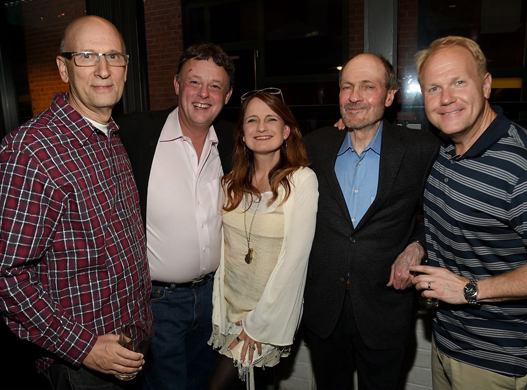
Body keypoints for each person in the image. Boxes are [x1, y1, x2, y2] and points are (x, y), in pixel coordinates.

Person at [0, 15, 152, 389]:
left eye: (113, 56)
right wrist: (84, 348)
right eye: (87, 56)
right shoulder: (31, 151)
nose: (103, 70)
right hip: (81, 366)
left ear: (126, 67)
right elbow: (8, 276)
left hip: (132, 345)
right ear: (63, 68)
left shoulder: (112, 138)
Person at [410, 36, 527, 390]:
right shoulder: (446, 150)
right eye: (433, 88)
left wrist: (470, 290)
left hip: (499, 359)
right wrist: (418, 245)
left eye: (458, 82)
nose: (445, 98)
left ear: (486, 85)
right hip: (448, 339)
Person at [302, 53, 440, 389]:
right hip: (324, 311)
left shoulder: (421, 150)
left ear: (389, 96)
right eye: (346, 87)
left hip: (385, 310)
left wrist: (417, 246)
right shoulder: (314, 146)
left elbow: (438, 217)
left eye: (368, 87)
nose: (354, 97)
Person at [117, 43, 235, 390]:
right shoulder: (136, 134)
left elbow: (281, 145)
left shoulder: (232, 139)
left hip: (215, 298)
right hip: (158, 304)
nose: (203, 94)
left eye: (215, 86)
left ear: (226, 96)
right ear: (176, 85)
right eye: (194, 82)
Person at [208, 89, 317, 389]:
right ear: (242, 134)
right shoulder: (229, 183)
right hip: (228, 311)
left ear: (286, 131)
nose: (261, 127)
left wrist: (257, 325)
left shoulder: (301, 181)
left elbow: (294, 261)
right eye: (252, 120)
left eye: (271, 119)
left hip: (266, 316)